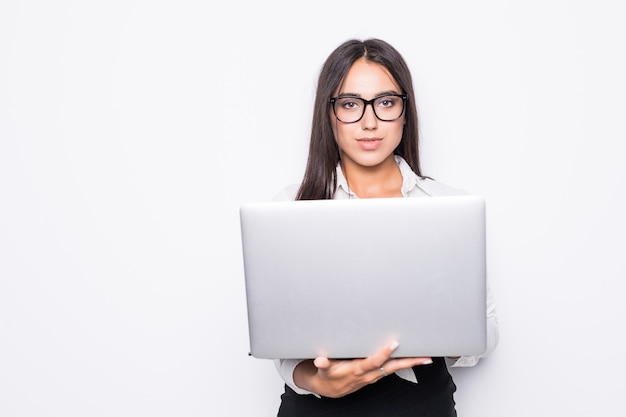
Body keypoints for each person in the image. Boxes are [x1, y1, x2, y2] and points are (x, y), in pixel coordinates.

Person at [271, 38, 499, 417]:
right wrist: (316, 381)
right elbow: (278, 337)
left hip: (421, 402)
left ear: (405, 112)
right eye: (349, 105)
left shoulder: (447, 206)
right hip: (319, 407)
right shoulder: (291, 207)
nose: (369, 121)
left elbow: (487, 331)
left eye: (386, 102)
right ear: (327, 115)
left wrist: (436, 333)